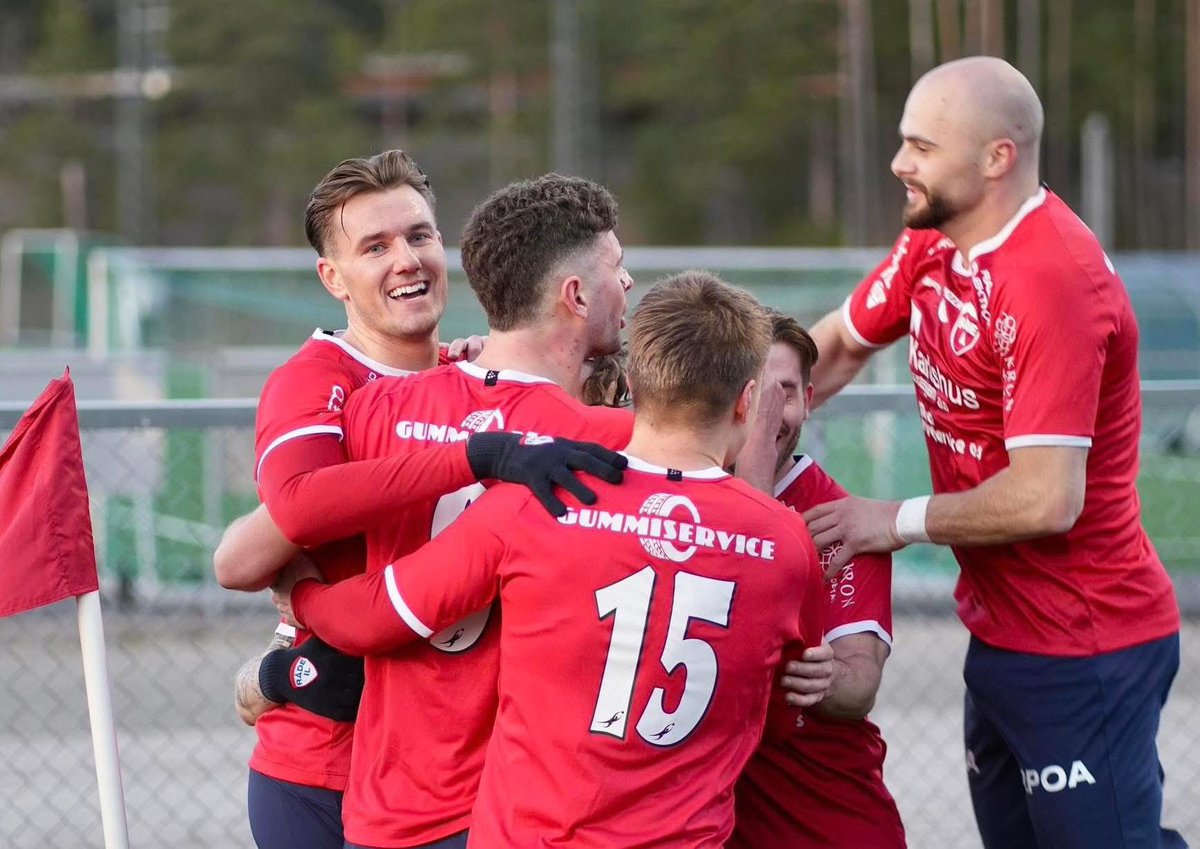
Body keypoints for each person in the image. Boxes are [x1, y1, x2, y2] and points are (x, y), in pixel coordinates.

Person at [274, 272, 831, 848]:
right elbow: (785, 712)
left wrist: (304, 595)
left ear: (634, 385)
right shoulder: (786, 543)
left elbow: (372, 616)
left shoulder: (538, 501)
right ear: (747, 400)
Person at [803, 56, 1185, 849]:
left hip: (1088, 646)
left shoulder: (1051, 279)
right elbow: (836, 346)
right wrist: (726, 422)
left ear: (996, 158)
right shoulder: (934, 243)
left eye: (921, 146)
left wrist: (892, 520)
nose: (899, 163)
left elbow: (1048, 497)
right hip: (1002, 633)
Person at [212, 153, 623, 849]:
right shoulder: (319, 380)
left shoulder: (468, 373)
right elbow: (278, 524)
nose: (406, 259)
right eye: (375, 247)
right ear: (333, 278)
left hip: (455, 765)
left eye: (419, 236)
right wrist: (477, 451)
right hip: (329, 757)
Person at [729, 310, 906, 849]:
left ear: (809, 399)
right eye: (754, 391)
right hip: (711, 823)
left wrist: (826, 681)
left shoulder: (840, 521)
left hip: (822, 822)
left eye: (784, 392)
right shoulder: (678, 487)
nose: (768, 415)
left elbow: (859, 684)